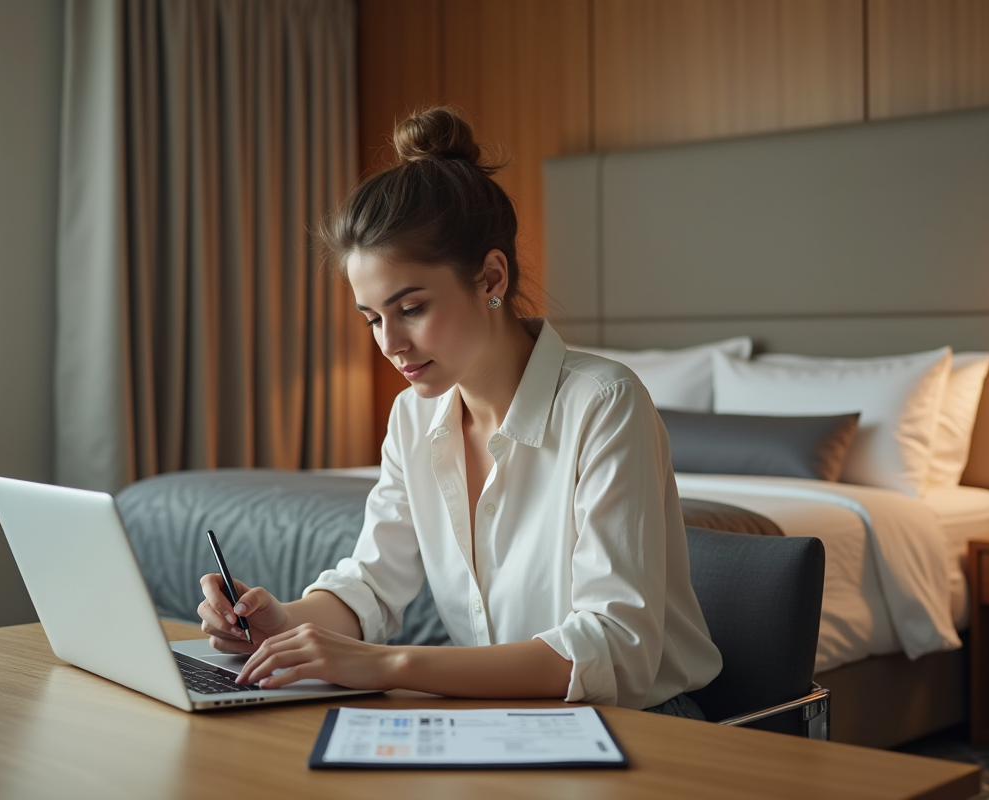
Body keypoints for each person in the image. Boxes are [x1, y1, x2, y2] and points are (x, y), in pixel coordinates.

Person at [198, 106, 721, 717]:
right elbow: (372, 584)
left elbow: (616, 649)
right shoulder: (413, 419)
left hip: (641, 726)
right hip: (495, 716)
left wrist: (391, 665)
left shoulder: (604, 403)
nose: (389, 344)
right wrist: (277, 621)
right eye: (372, 319)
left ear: (490, 276)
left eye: (411, 307)